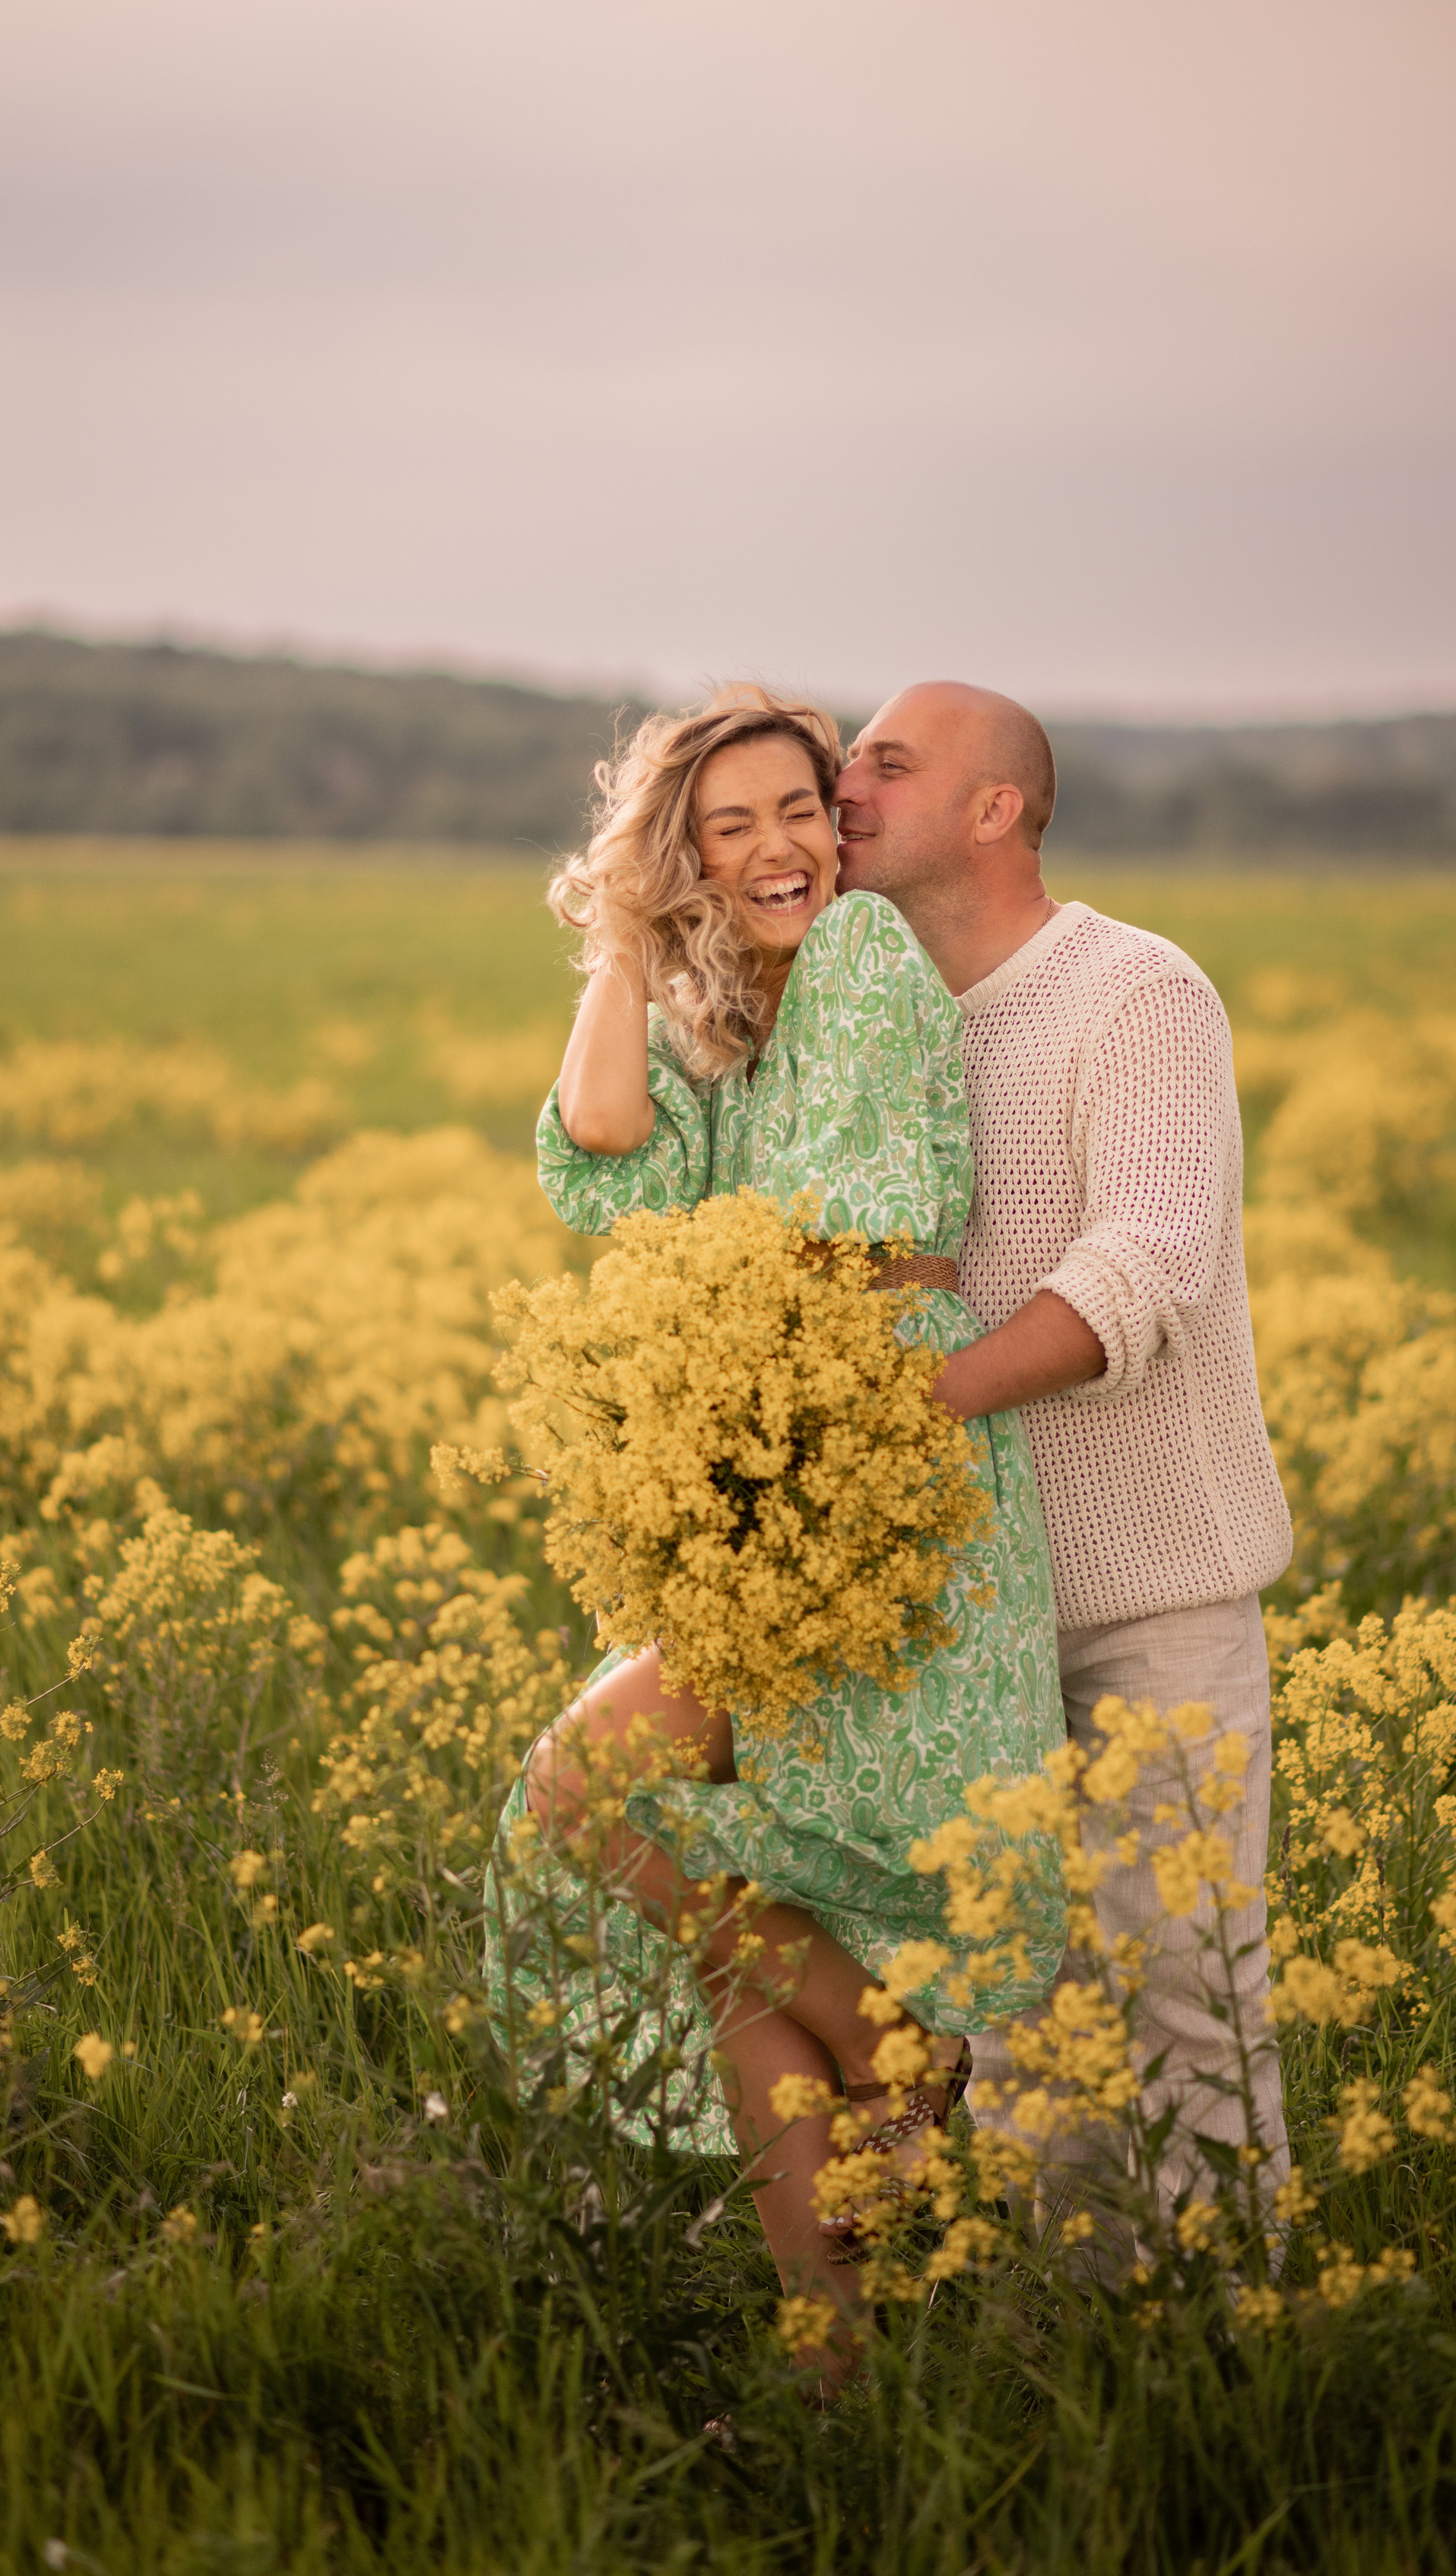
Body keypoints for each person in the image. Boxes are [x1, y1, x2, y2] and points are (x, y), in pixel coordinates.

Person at [494, 683, 1065, 2389]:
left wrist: (702, 1382)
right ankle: (835, 2384)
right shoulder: (732, 1009)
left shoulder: (872, 963)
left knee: (580, 1786)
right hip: (770, 1495)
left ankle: (900, 2053)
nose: (776, 849)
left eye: (797, 812)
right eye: (726, 825)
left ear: (841, 827)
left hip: (883, 1498)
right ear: (689, 854)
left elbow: (854, 1226)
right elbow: (599, 1149)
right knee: (746, 1950)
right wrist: (621, 934)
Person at [834, 681, 1294, 2232]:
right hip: (965, 1607)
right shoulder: (859, 1015)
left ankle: (1233, 2352)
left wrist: (925, 1401)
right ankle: (1073, 2355)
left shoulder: (1135, 995)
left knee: (1182, 1982)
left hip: (1152, 1590)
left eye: (885, 763)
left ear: (993, 809)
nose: (844, 784)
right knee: (1021, 2014)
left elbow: (1144, 1268)